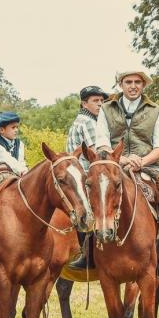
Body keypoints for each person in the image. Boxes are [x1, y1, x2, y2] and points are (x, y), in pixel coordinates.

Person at [94, 66, 159, 279]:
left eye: (137, 82)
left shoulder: (155, 110)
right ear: (121, 85)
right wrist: (123, 159)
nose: (133, 86)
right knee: (89, 196)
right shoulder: (106, 109)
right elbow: (101, 143)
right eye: (128, 82)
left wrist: (141, 161)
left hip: (149, 164)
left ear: (143, 85)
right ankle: (87, 254)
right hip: (113, 164)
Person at [64, 85, 107, 271]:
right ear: (84, 103)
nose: (100, 104)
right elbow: (97, 153)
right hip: (86, 174)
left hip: (77, 173)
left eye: (102, 101)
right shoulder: (89, 122)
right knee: (95, 206)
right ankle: (88, 253)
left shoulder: (78, 121)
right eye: (95, 101)